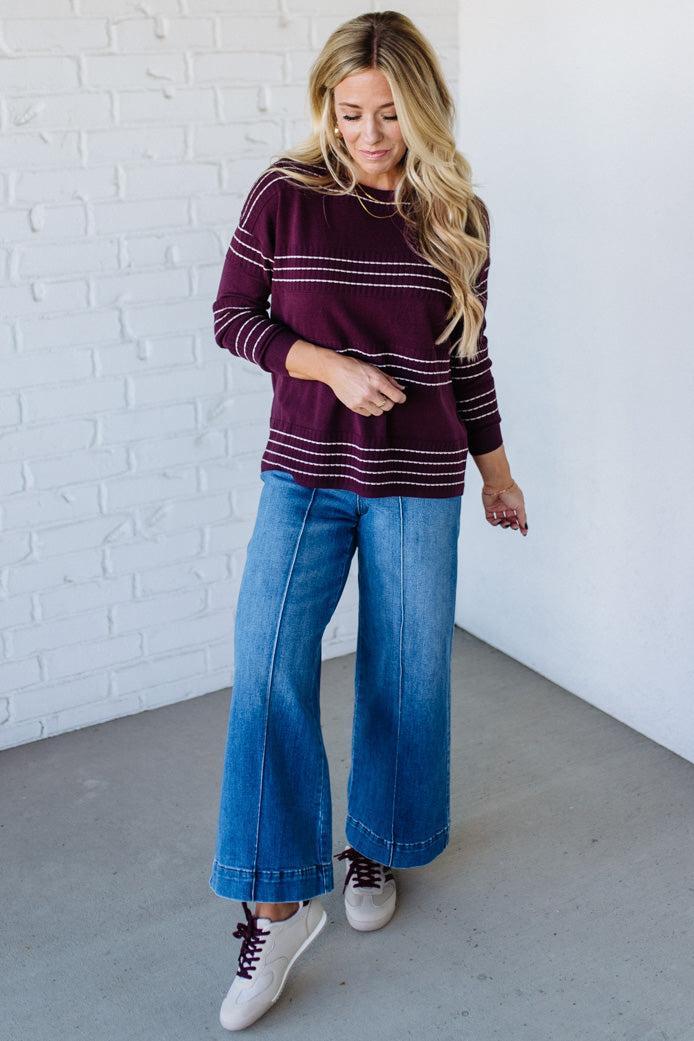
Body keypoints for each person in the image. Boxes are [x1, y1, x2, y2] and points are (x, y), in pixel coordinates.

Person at [208, 10, 528, 1031]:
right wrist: (328, 365)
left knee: (406, 672)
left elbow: (468, 362)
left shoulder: (458, 215)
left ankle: (378, 843)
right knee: (265, 666)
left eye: (388, 114)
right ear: (325, 108)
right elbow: (233, 316)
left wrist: (497, 472)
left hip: (419, 478)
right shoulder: (286, 196)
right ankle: (275, 897)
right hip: (303, 474)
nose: (368, 133)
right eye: (349, 113)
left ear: (423, 110)